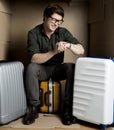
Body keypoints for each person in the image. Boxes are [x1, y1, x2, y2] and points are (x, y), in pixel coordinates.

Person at [23, 3, 84, 125]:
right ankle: (33, 109)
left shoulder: (63, 32)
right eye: (54, 19)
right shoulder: (33, 33)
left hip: (57, 69)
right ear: (45, 17)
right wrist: (54, 51)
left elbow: (81, 50)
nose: (56, 23)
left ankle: (67, 111)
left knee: (72, 67)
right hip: (41, 69)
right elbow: (34, 59)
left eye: (59, 21)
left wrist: (69, 45)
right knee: (31, 68)